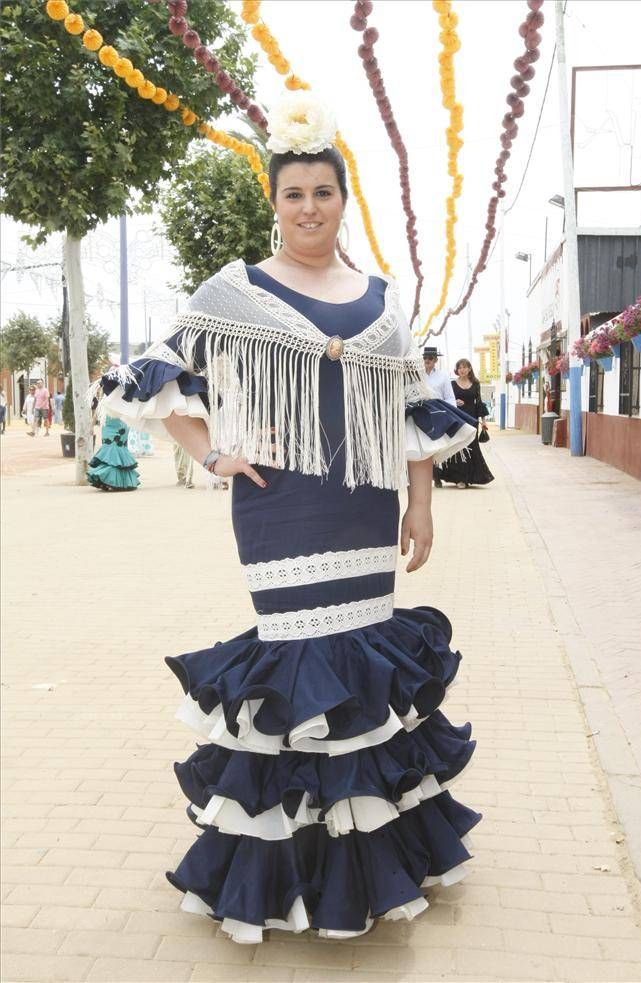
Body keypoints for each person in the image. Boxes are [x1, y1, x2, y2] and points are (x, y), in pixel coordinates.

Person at [97, 93, 480, 943]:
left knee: (360, 680)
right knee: (299, 673)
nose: (308, 208)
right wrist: (212, 451)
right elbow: (156, 375)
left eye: (323, 192)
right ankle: (283, 873)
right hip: (279, 508)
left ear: (344, 199)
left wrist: (419, 503)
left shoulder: (381, 298)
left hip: (365, 509)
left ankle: (366, 866)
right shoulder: (235, 291)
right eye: (293, 194)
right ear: (273, 204)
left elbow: (414, 409)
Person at [437, 359, 494, 489]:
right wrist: (454, 402)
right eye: (459, 367)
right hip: (457, 417)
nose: (462, 370)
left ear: (469, 369)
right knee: (459, 447)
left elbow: (479, 403)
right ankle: (459, 478)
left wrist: (484, 421)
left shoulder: (475, 383)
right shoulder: (452, 384)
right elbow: (446, 399)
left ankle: (471, 477)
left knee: (472, 446)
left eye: (465, 367)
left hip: (472, 419)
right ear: (457, 370)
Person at [422, 348, 456, 487]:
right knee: (423, 445)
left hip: (438, 412)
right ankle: (426, 475)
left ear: (436, 360)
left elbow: (449, 396)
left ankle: (436, 473)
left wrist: (452, 414)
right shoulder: (416, 375)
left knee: (436, 446)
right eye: (425, 358)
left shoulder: (443, 376)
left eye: (430, 358)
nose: (427, 360)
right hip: (421, 411)